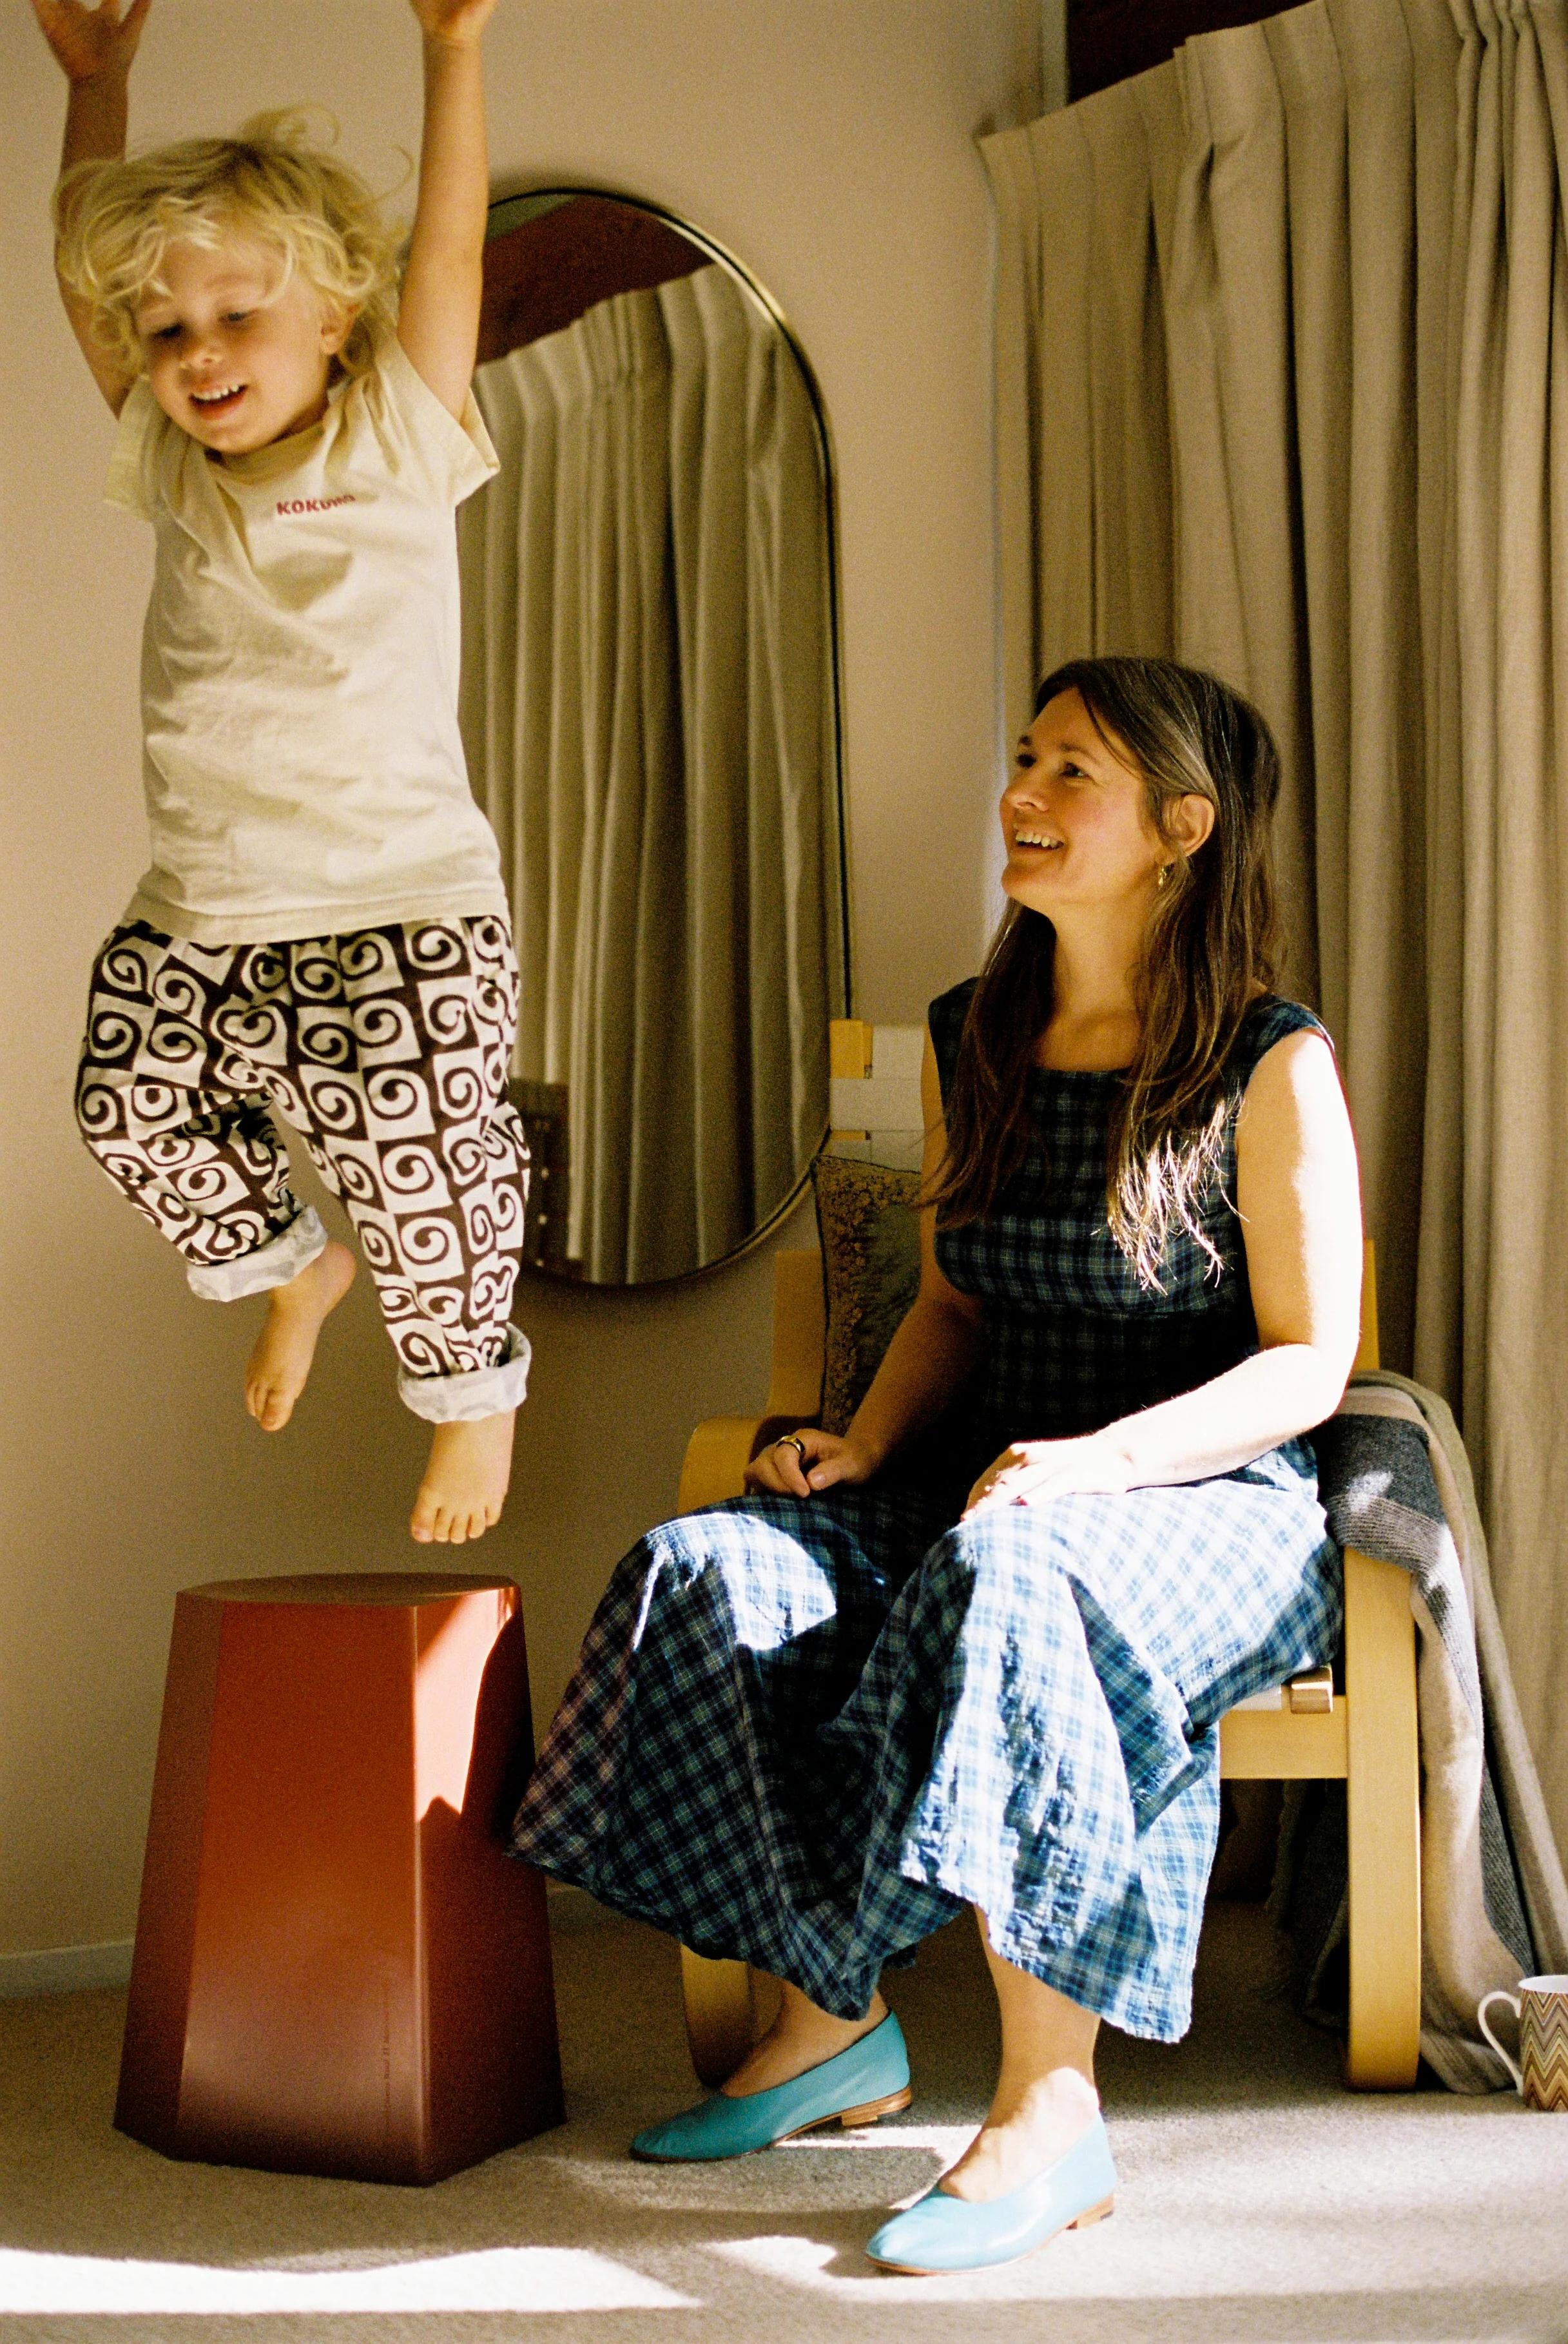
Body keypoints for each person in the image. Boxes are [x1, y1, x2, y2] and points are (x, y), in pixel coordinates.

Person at [510, 656, 1363, 2274]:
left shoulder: (1268, 1058)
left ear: (1181, 827)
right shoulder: (976, 1030)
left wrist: (1094, 1466)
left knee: (1010, 1568)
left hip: (1205, 1501)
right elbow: (956, 1297)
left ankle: (1051, 2113)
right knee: (713, 1562)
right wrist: (862, 1444)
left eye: (1069, 776)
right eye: (1022, 761)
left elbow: (1304, 1365)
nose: (1019, 799)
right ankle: (829, 2021)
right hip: (992, 1476)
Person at [34, 0, 527, 1544]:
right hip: (204, 907)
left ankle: (469, 1403)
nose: (192, 356)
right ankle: (294, 1267)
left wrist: (452, 52)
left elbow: (446, 254)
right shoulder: (173, 463)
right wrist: (99, 90)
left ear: (335, 320)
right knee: (128, 1100)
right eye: (168, 334)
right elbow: (84, 284)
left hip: (400, 905)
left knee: (429, 1165)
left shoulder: (395, 430)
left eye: (237, 316)